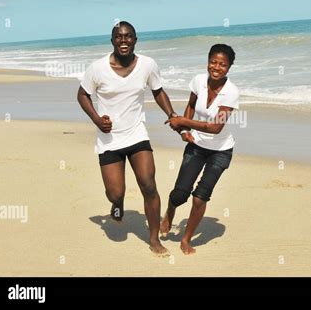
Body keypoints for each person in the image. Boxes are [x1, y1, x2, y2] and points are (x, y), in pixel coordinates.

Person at [77, 21, 179, 256]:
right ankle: (117, 203)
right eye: (119, 37)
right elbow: (83, 94)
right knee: (115, 192)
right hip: (109, 139)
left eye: (128, 36)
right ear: (112, 40)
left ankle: (153, 240)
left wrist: (172, 115)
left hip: (136, 134)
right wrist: (96, 119)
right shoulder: (97, 68)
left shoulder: (147, 65)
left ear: (135, 39)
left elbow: (158, 90)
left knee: (149, 185)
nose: (124, 41)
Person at [162, 43, 239, 255]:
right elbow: (191, 105)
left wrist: (182, 120)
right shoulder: (198, 81)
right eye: (213, 62)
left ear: (229, 67)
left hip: (221, 150)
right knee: (180, 194)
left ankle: (186, 239)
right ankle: (170, 212)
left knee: (200, 196)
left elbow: (215, 127)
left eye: (222, 64)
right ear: (207, 62)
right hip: (196, 145)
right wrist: (183, 130)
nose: (216, 67)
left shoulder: (231, 92)